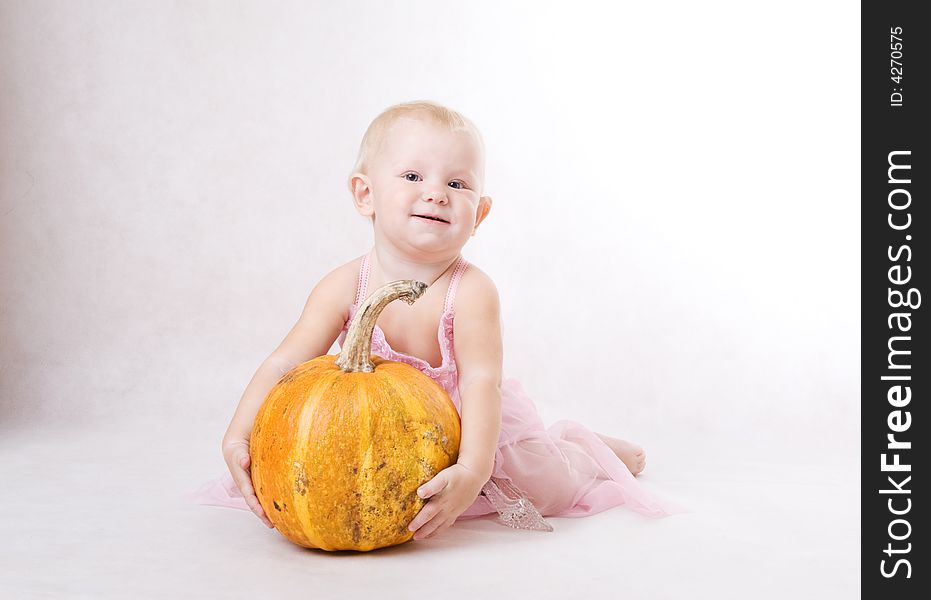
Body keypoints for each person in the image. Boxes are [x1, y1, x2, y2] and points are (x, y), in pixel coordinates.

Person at [189, 100, 680, 539]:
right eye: (412, 177)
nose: (437, 193)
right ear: (366, 195)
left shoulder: (471, 292)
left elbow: (481, 383)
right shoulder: (343, 285)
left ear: (479, 213)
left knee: (545, 486)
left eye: (457, 183)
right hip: (380, 434)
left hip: (469, 425)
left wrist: (471, 470)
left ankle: (582, 453)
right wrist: (238, 435)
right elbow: (283, 366)